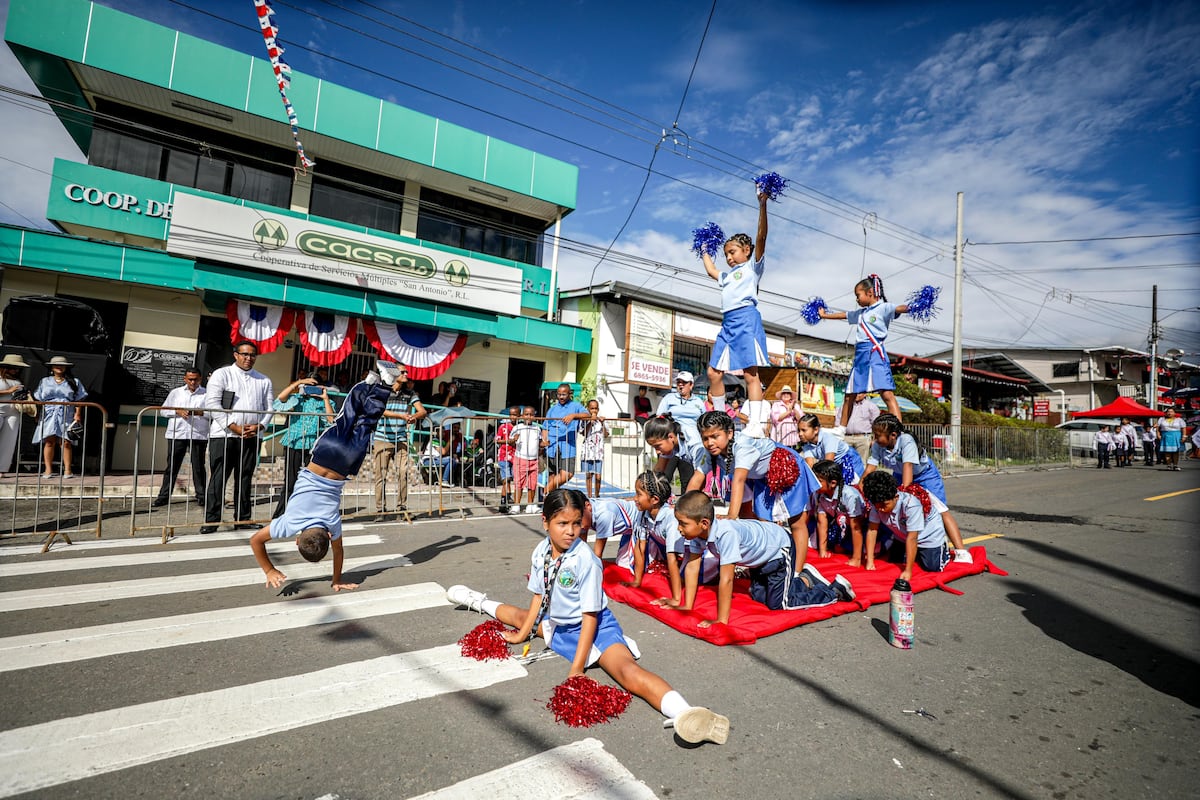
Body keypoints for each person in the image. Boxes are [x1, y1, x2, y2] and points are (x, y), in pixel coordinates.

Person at [445, 488, 729, 745]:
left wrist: (576, 669)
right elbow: (537, 597)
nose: (570, 531)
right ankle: (476, 600)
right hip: (561, 625)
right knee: (519, 616)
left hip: (595, 629)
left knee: (626, 673)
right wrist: (522, 634)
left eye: (576, 523)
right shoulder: (541, 550)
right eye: (562, 524)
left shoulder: (587, 561)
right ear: (545, 523)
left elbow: (590, 617)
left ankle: (687, 713)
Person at [250, 371, 404, 591]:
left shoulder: (332, 524)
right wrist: (269, 569)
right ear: (296, 539)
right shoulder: (290, 523)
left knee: (366, 424)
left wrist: (337, 580)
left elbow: (338, 552)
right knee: (347, 416)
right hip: (323, 456)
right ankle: (367, 383)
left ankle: (386, 385)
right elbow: (256, 541)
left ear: (330, 536)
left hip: (345, 464)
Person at [661, 490, 855, 629]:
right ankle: (804, 579)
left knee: (779, 605)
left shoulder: (725, 534)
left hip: (779, 550)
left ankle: (833, 592)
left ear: (704, 523)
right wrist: (686, 604)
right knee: (759, 597)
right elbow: (693, 568)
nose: (678, 528)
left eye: (683, 524)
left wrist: (721, 620)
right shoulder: (697, 535)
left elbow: (727, 579)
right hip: (758, 561)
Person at [692, 409, 821, 573]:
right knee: (764, 522)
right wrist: (685, 508)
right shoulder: (710, 452)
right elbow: (697, 478)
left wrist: (731, 516)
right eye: (705, 438)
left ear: (730, 433)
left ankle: (796, 572)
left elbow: (739, 480)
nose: (710, 442)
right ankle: (770, 567)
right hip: (762, 477)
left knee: (796, 521)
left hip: (785, 466)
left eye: (715, 436)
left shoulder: (742, 447)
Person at [862, 413, 971, 562]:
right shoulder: (878, 446)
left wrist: (904, 494)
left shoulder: (906, 441)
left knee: (940, 510)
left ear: (893, 435)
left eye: (878, 435)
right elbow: (869, 470)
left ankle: (960, 551)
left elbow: (908, 468)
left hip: (924, 475)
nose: (875, 439)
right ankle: (895, 543)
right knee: (889, 509)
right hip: (900, 475)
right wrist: (861, 489)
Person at [701, 187, 771, 416]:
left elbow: (761, 236)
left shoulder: (753, 267)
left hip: (746, 319)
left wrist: (762, 204)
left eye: (732, 252)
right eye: (726, 254)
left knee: (751, 374)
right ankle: (721, 416)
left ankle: (756, 422)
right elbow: (711, 269)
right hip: (728, 323)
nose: (729, 258)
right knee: (713, 373)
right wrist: (704, 248)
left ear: (747, 250)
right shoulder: (727, 275)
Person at [817, 275, 910, 427]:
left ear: (870, 293)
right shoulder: (861, 313)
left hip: (875, 353)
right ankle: (841, 430)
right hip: (860, 355)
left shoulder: (883, 308)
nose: (856, 299)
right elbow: (844, 315)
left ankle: (899, 429)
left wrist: (915, 307)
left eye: (858, 295)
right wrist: (824, 315)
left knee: (886, 394)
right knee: (849, 395)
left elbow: (899, 308)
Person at [201, 341, 274, 534]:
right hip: (224, 435)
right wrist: (233, 426)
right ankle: (211, 521)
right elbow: (213, 404)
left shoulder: (263, 380)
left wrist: (260, 426)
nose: (248, 358)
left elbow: (269, 408)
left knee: (244, 478)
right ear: (235, 355)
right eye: (244, 354)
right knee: (219, 478)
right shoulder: (222, 374)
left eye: (252, 355)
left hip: (251, 436)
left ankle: (243, 519)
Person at [861, 471, 951, 582]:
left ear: (896, 497)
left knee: (932, 567)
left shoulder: (911, 505)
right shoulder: (877, 503)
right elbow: (872, 529)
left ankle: (942, 548)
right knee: (895, 560)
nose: (880, 509)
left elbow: (912, 537)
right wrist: (870, 561)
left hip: (928, 536)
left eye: (884, 505)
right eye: (877, 506)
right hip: (902, 536)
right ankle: (914, 552)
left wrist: (908, 571)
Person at [271, 372, 336, 517]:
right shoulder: (297, 399)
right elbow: (280, 400)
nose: (311, 389)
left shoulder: (326, 402)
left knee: (313, 482)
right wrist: (297, 383)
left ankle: (308, 514)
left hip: (314, 445)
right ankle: (281, 515)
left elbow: (331, 420)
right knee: (290, 480)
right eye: (308, 386)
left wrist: (325, 397)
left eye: (315, 386)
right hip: (294, 441)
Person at [371, 367, 425, 518]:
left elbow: (422, 411)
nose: (406, 374)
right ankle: (380, 510)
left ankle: (402, 508)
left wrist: (415, 416)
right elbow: (380, 410)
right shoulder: (382, 390)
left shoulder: (409, 393)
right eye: (403, 372)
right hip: (383, 438)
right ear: (393, 374)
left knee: (403, 472)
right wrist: (400, 416)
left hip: (401, 439)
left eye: (406, 372)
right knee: (380, 474)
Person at [152, 368, 209, 506]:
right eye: (190, 379)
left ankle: (201, 496)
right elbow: (163, 411)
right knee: (172, 466)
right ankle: (163, 496)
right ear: (185, 379)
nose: (193, 382)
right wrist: (177, 411)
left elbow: (214, 413)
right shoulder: (175, 393)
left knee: (198, 467)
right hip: (177, 433)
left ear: (200, 379)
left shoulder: (207, 394)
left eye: (195, 379)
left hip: (198, 434)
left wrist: (199, 413)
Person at [32, 356, 87, 479]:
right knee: (49, 441)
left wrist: (78, 414)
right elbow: (39, 398)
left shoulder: (74, 381)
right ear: (51, 367)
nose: (59, 367)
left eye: (62, 365)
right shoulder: (44, 381)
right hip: (48, 413)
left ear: (66, 367)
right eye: (56, 365)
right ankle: (48, 469)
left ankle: (68, 469)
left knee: (66, 442)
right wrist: (37, 413)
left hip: (66, 413)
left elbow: (79, 399)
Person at [810, 458, 868, 562]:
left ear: (832, 483)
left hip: (862, 526)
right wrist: (822, 551)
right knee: (838, 548)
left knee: (869, 551)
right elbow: (821, 522)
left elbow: (856, 527)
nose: (814, 484)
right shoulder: (819, 494)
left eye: (818, 481)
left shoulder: (850, 495)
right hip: (842, 526)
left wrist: (856, 559)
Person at [643, 414, 707, 496]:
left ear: (671, 437)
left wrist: (683, 503)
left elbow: (699, 476)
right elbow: (658, 471)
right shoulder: (669, 441)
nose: (657, 452)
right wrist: (644, 493)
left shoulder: (693, 442)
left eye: (657, 446)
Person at [543, 383, 589, 495]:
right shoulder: (552, 409)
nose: (561, 397)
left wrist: (574, 416)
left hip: (568, 445)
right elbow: (545, 427)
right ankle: (549, 502)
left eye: (563, 394)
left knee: (568, 473)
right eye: (559, 394)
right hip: (552, 445)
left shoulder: (576, 406)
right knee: (552, 474)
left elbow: (588, 415)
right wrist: (544, 441)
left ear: (570, 394)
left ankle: (545, 490)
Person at [0, 353, 31, 475]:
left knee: (9, 440)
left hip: (13, 412)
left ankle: (2, 468)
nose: (16, 370)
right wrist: (8, 391)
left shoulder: (18, 380)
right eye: (13, 367)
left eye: (18, 368)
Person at [509, 405, 542, 514]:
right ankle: (516, 505)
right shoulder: (517, 428)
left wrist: (543, 445)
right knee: (519, 483)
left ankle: (530, 505)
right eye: (526, 414)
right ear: (522, 416)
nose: (529, 417)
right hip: (521, 459)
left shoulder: (537, 428)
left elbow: (539, 443)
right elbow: (510, 442)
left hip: (534, 459)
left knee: (532, 484)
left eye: (531, 415)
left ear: (534, 416)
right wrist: (514, 439)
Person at [838, 393, 880, 465]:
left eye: (859, 393)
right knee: (844, 462)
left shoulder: (871, 406)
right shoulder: (845, 406)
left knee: (861, 462)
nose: (857, 395)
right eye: (855, 393)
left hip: (863, 438)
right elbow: (838, 421)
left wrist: (875, 439)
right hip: (846, 437)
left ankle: (861, 476)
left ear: (865, 394)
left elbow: (876, 425)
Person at [579, 399, 608, 498]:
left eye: (596, 408)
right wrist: (590, 422)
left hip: (598, 452)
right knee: (589, 475)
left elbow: (606, 434)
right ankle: (590, 496)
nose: (594, 410)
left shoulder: (601, 420)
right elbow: (583, 433)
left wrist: (602, 423)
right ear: (588, 409)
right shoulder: (584, 420)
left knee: (598, 476)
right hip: (588, 451)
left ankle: (597, 495)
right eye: (592, 408)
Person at [495, 406, 518, 510]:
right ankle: (505, 500)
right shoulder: (503, 427)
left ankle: (505, 502)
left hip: (516, 456)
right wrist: (509, 441)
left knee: (512, 479)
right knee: (506, 479)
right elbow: (496, 440)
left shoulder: (520, 427)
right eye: (511, 415)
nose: (513, 417)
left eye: (516, 415)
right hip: (504, 455)